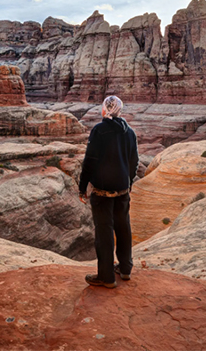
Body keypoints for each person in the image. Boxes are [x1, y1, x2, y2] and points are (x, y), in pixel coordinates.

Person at [79, 95, 139, 288]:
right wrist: (128, 181)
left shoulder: (99, 131)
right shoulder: (129, 132)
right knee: (123, 228)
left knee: (104, 232)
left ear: (105, 109)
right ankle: (125, 268)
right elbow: (134, 162)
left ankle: (106, 277)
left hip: (103, 192)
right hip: (122, 190)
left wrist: (82, 187)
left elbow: (90, 161)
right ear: (120, 110)